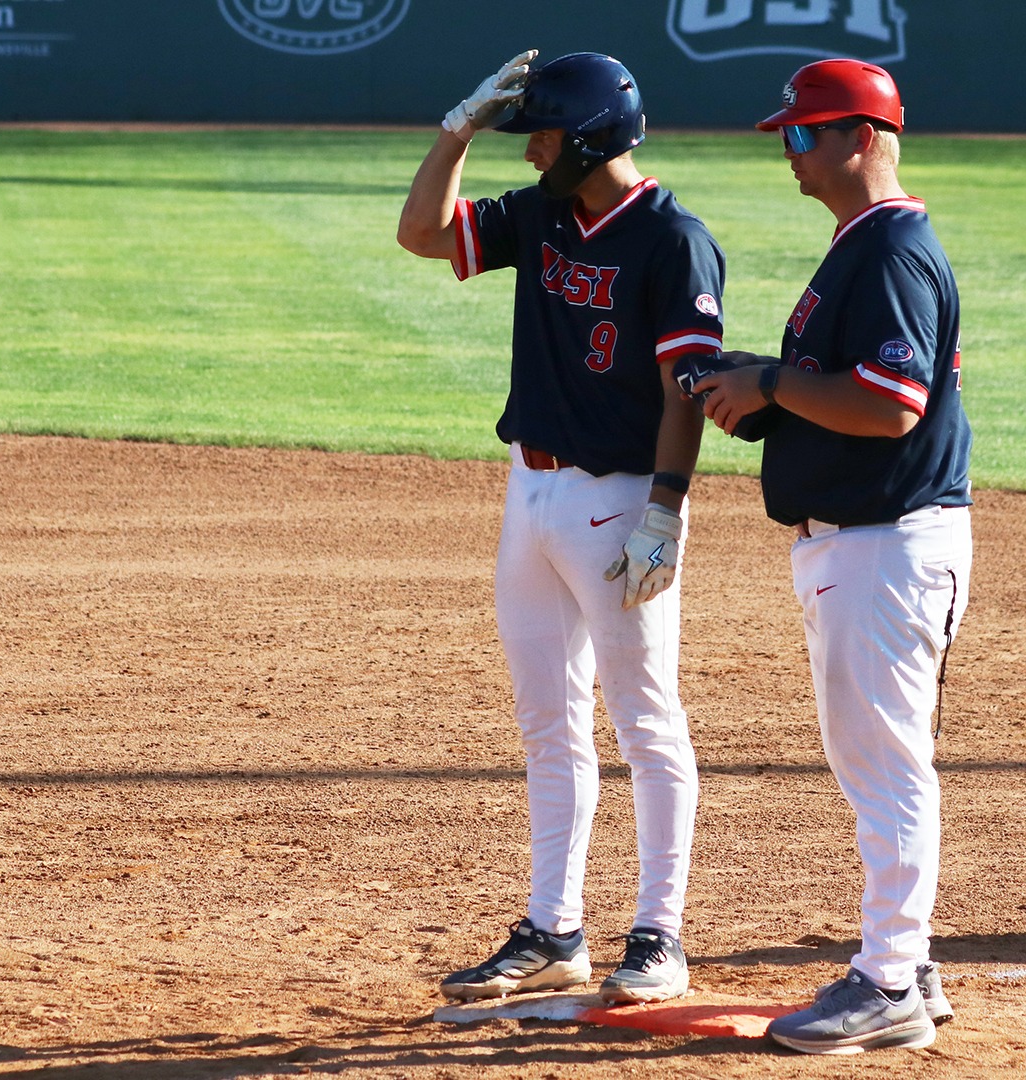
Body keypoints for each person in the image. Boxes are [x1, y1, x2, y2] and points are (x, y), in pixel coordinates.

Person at [395, 48, 725, 1005]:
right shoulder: (541, 211)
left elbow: (684, 389)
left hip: (621, 501)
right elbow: (422, 234)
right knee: (548, 721)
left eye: (540, 129)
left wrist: (666, 509)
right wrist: (455, 132)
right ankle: (554, 929)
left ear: (588, 138)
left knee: (647, 723)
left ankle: (659, 938)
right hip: (529, 497)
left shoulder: (672, 240)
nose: (529, 146)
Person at [687, 58, 971, 1054]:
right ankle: (911, 966)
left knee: (885, 769)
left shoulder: (889, 249)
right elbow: (836, 389)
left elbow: (891, 405)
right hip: (868, 542)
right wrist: (761, 399)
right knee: (879, 763)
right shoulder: (864, 245)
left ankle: (890, 979)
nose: (790, 158)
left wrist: (769, 380)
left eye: (804, 138)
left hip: (886, 545)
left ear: (860, 137)